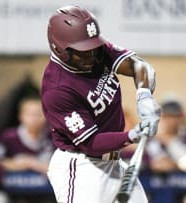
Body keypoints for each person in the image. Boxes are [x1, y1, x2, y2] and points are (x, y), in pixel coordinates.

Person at [42, 6, 160, 203]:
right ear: (60, 49)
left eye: (93, 48)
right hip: (82, 167)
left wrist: (144, 95)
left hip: (114, 162)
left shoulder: (94, 50)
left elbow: (139, 66)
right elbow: (91, 144)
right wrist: (133, 135)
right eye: (83, 52)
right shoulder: (57, 89)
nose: (92, 56)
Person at [0, 96, 54, 174]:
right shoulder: (8, 137)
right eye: (31, 114)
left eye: (40, 114)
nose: (35, 118)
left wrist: (32, 163)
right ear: (21, 116)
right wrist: (19, 165)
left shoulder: (53, 136)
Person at [146, 98, 186, 173]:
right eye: (168, 116)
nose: (172, 120)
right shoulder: (153, 139)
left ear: (182, 117)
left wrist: (169, 141)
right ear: (162, 117)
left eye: (175, 116)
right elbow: (151, 161)